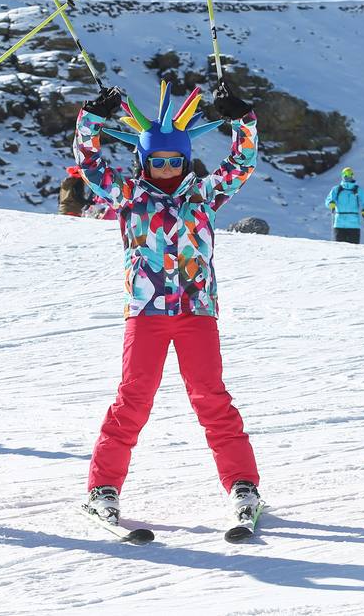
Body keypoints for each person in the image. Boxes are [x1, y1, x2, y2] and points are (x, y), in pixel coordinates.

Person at [74, 80, 262, 530]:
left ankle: (242, 484)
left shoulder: (204, 194)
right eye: (156, 161)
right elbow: (89, 163)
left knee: (210, 397)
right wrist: (91, 119)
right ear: (143, 161)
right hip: (147, 312)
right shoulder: (128, 196)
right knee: (133, 398)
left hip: (197, 312)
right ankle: (103, 488)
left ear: (184, 159)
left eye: (173, 160)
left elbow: (242, 162)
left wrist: (243, 119)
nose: (164, 168)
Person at [325, 167, 364, 243]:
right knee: (339, 248)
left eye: (349, 174)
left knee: (354, 248)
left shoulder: (357, 189)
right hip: (339, 224)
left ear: (352, 175)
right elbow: (328, 200)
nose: (347, 176)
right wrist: (331, 203)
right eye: (344, 174)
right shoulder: (337, 189)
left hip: (354, 225)